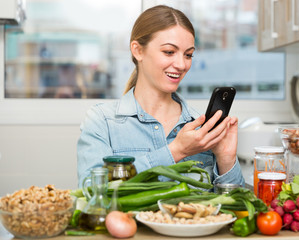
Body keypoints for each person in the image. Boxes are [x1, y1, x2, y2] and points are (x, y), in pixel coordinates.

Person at [77, 5, 244, 189]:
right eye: (169, 52)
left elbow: (236, 211)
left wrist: (226, 159)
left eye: (188, 55)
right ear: (138, 50)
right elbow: (91, 191)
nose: (181, 64)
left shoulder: (202, 129)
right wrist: (176, 151)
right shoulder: (103, 121)